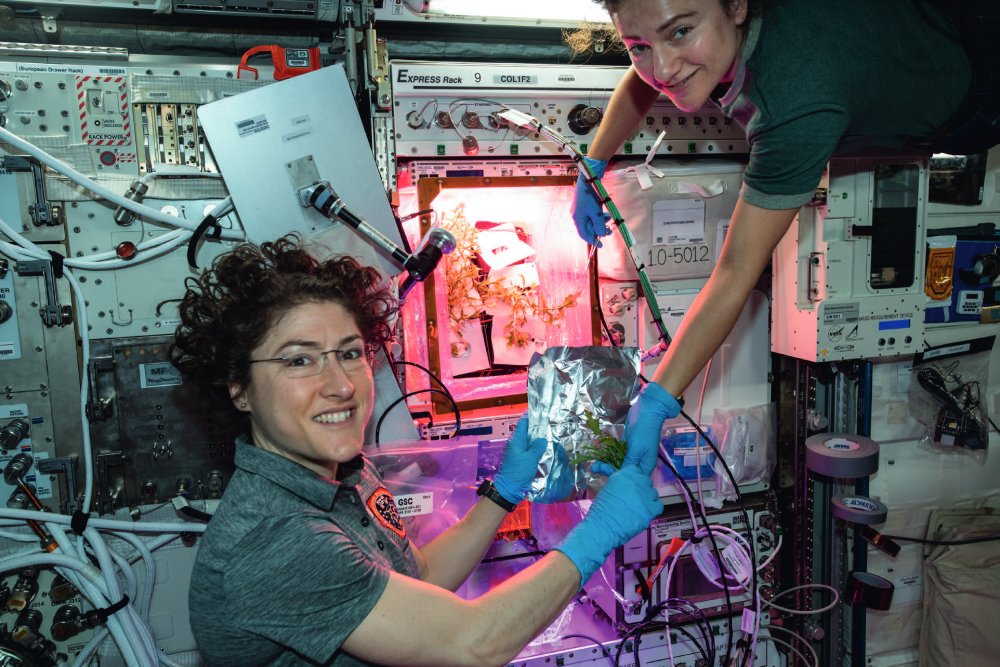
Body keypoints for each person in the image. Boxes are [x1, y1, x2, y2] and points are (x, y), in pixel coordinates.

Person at [169, 235, 663, 666]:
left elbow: (419, 577)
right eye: (300, 360)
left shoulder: (343, 473)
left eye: (348, 353)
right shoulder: (277, 540)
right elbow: (475, 644)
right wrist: (597, 533)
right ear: (240, 388)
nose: (340, 384)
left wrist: (504, 494)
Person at [570, 0, 1000, 472]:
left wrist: (656, 401)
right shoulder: (709, 31)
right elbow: (653, 58)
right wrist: (593, 161)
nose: (664, 68)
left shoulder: (793, 104)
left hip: (978, 83)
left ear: (736, 7)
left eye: (681, 33)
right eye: (638, 47)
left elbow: (734, 274)